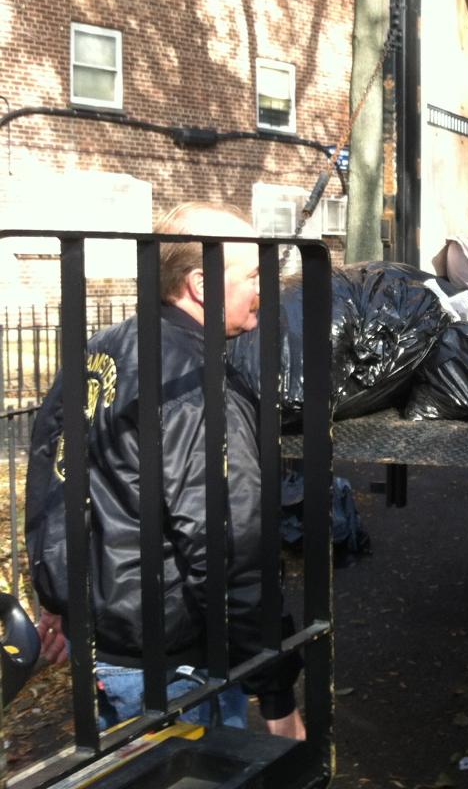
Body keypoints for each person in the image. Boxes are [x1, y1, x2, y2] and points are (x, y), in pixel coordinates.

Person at [26, 203, 305, 737]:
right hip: (175, 664)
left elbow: (51, 477)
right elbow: (229, 547)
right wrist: (276, 696)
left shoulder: (104, 348)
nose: (263, 289)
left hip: (109, 646)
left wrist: (59, 598)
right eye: (252, 275)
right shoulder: (194, 386)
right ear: (201, 285)